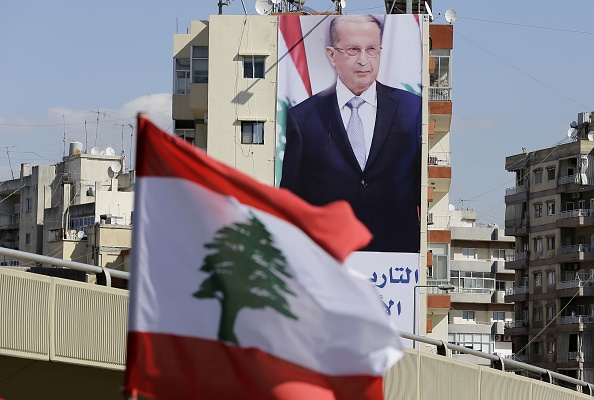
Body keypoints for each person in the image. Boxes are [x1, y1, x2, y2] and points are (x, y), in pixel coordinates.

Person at [280, 14, 421, 253]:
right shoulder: (303, 117)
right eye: (353, 50)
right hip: (328, 256)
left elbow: (419, 184)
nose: (364, 61)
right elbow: (291, 201)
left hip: (396, 259)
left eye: (372, 50)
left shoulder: (412, 108)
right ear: (331, 55)